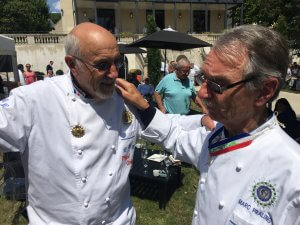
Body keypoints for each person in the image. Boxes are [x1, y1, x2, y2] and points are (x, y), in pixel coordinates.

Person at [116, 25, 300, 224]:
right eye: (203, 78)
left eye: (217, 84)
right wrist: (143, 106)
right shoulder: (217, 135)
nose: (202, 93)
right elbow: (174, 137)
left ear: (264, 91)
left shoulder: (292, 173)